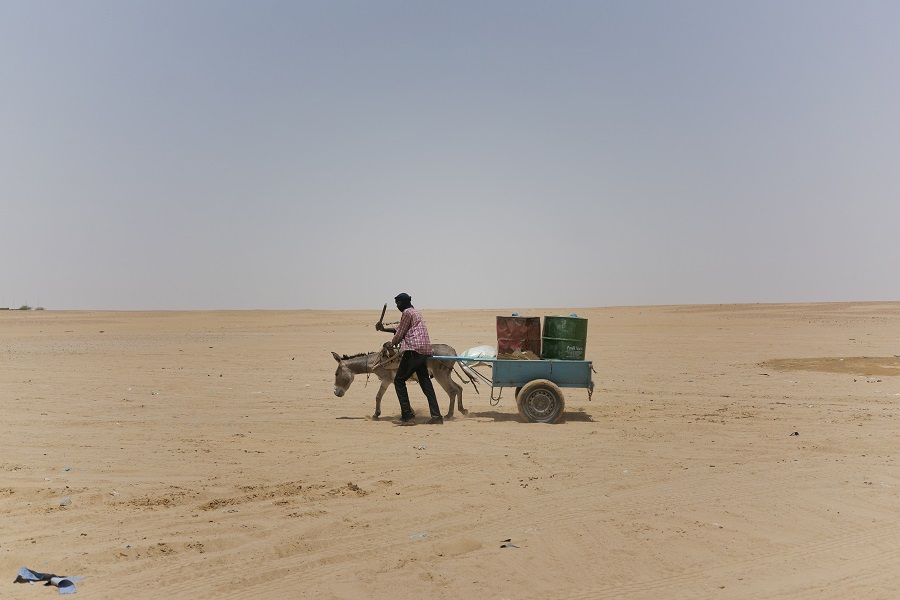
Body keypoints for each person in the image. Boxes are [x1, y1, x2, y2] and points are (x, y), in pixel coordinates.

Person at [376, 293, 443, 425]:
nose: (397, 306)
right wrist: (384, 329)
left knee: (399, 381)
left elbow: (400, 332)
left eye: (398, 303)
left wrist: (392, 342)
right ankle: (437, 416)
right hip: (424, 350)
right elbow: (402, 328)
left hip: (413, 350)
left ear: (404, 302)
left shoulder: (406, 312)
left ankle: (407, 416)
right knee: (426, 384)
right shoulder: (415, 312)